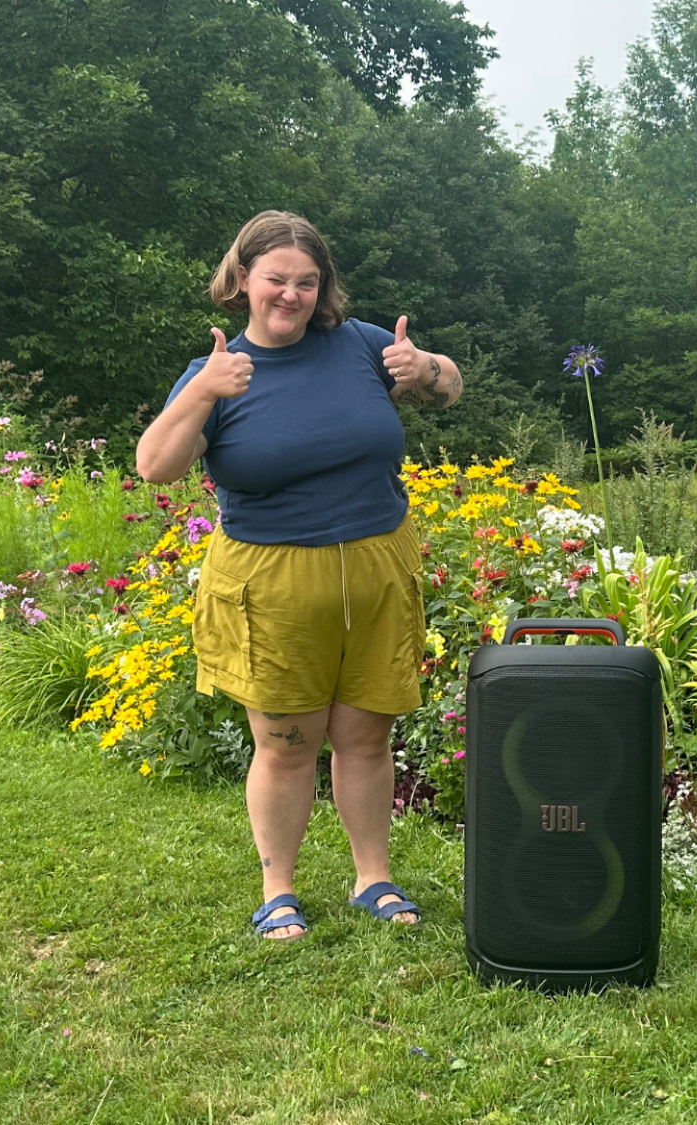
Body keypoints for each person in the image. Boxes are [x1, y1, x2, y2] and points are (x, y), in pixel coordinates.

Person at [136, 211, 462, 941]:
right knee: (286, 743)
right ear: (242, 278)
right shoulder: (217, 372)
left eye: (307, 282)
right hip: (272, 580)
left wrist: (426, 370)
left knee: (366, 736)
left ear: (323, 288)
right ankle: (277, 889)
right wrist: (203, 392)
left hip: (379, 566)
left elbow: (449, 386)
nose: (291, 295)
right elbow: (154, 465)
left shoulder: (361, 345)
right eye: (276, 279)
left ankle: (372, 877)